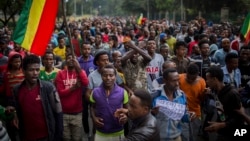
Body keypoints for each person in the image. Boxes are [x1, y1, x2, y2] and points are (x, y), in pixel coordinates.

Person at [12, 55, 63, 141]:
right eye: (31, 70)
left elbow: (58, 112)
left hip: (46, 136)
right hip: (26, 136)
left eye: (37, 70)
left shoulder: (48, 88)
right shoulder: (17, 90)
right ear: (23, 71)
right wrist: (14, 113)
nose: (35, 73)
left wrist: (58, 135)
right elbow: (17, 110)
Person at [204, 66, 245, 141]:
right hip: (223, 132)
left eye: (207, 79)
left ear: (214, 79)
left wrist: (222, 125)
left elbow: (239, 118)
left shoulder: (232, 94)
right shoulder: (216, 92)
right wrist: (216, 124)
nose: (206, 81)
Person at [90, 64, 129, 141]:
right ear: (101, 76)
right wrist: (94, 118)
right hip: (100, 133)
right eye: (105, 75)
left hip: (118, 132)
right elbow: (92, 107)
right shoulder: (95, 92)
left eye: (111, 75)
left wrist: (126, 117)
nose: (108, 78)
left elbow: (127, 110)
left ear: (115, 76)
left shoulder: (123, 92)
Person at [55, 53, 89, 141]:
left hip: (77, 113)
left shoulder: (81, 72)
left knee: (76, 138)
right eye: (69, 58)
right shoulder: (60, 74)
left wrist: (78, 68)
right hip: (64, 113)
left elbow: (85, 83)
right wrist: (74, 88)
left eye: (73, 58)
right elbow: (60, 93)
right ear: (65, 60)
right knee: (66, 138)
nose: (71, 60)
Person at [152, 68, 189, 141]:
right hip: (158, 138)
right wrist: (152, 113)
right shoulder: (154, 96)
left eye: (178, 80)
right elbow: (144, 116)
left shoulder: (181, 96)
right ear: (165, 81)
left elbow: (183, 116)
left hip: (176, 137)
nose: (177, 83)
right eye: (174, 81)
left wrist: (189, 116)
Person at [179, 63, 206, 141]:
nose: (190, 80)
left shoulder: (202, 82)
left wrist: (205, 94)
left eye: (193, 79)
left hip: (195, 113)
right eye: (188, 78)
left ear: (197, 74)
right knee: (184, 136)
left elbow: (202, 100)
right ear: (186, 73)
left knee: (193, 136)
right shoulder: (179, 77)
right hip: (181, 113)